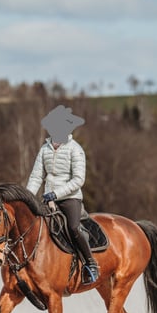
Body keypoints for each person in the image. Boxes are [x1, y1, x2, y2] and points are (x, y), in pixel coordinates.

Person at [26, 105, 99, 284]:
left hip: (69, 198)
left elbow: (78, 179)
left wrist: (56, 194)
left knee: (73, 228)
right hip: (47, 198)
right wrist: (26, 197)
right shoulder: (45, 149)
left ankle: (91, 263)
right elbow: (37, 176)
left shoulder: (76, 150)